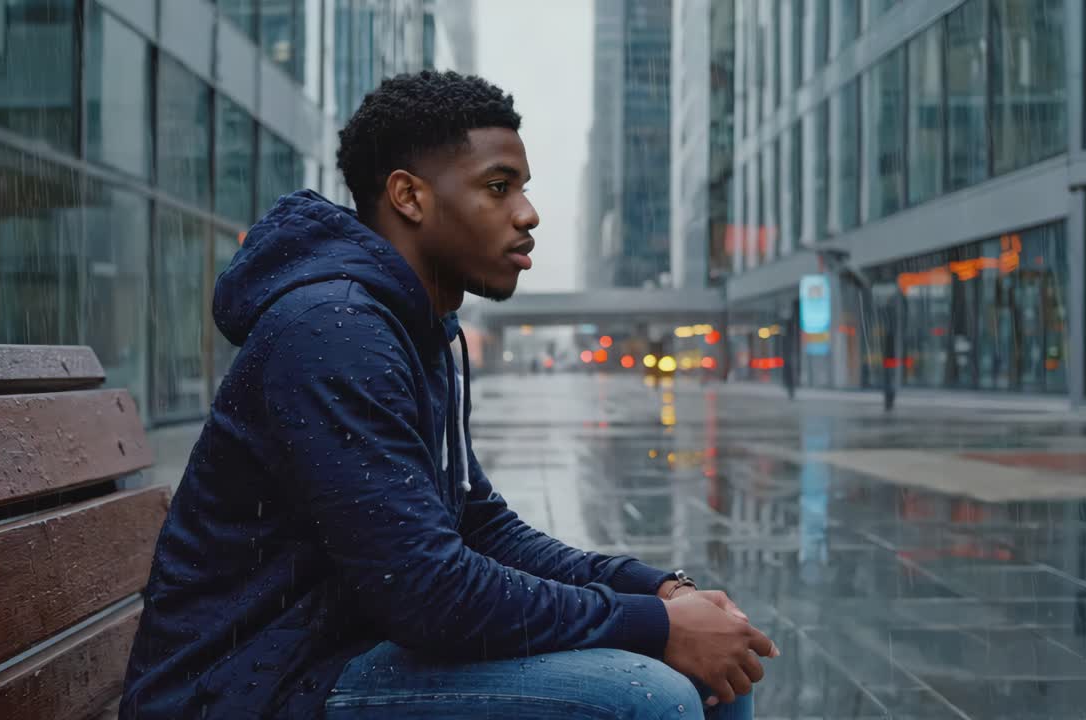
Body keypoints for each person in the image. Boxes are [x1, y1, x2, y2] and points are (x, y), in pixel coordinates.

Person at [119, 70, 777, 719]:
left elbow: (478, 525)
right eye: (498, 187)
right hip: (244, 689)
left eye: (523, 187)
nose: (528, 212)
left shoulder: (409, 329)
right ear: (409, 196)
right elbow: (427, 591)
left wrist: (654, 588)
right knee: (653, 696)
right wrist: (656, 626)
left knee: (714, 673)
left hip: (329, 653)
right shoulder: (333, 330)